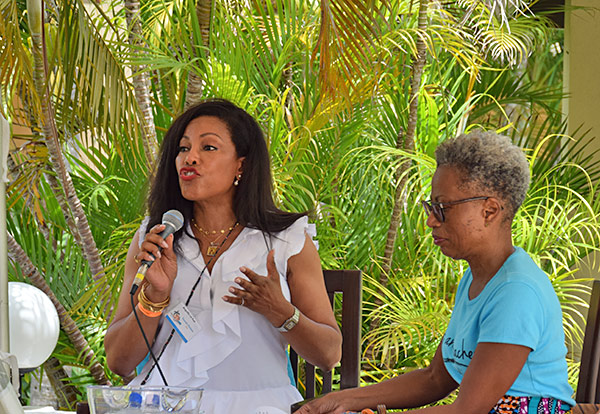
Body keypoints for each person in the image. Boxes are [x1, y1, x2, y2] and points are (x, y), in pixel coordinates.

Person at [295, 130, 575, 414]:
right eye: (431, 207)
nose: (430, 220)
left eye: (442, 208)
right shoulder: (477, 278)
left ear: (489, 211)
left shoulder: (516, 291)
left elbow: (466, 410)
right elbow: (435, 378)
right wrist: (342, 400)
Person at [104, 99, 342, 413]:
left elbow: (329, 354)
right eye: (183, 148)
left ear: (241, 165)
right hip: (166, 405)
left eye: (209, 148)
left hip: (260, 405)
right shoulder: (157, 236)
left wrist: (281, 311)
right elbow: (119, 362)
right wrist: (154, 297)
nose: (190, 158)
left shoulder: (288, 239)